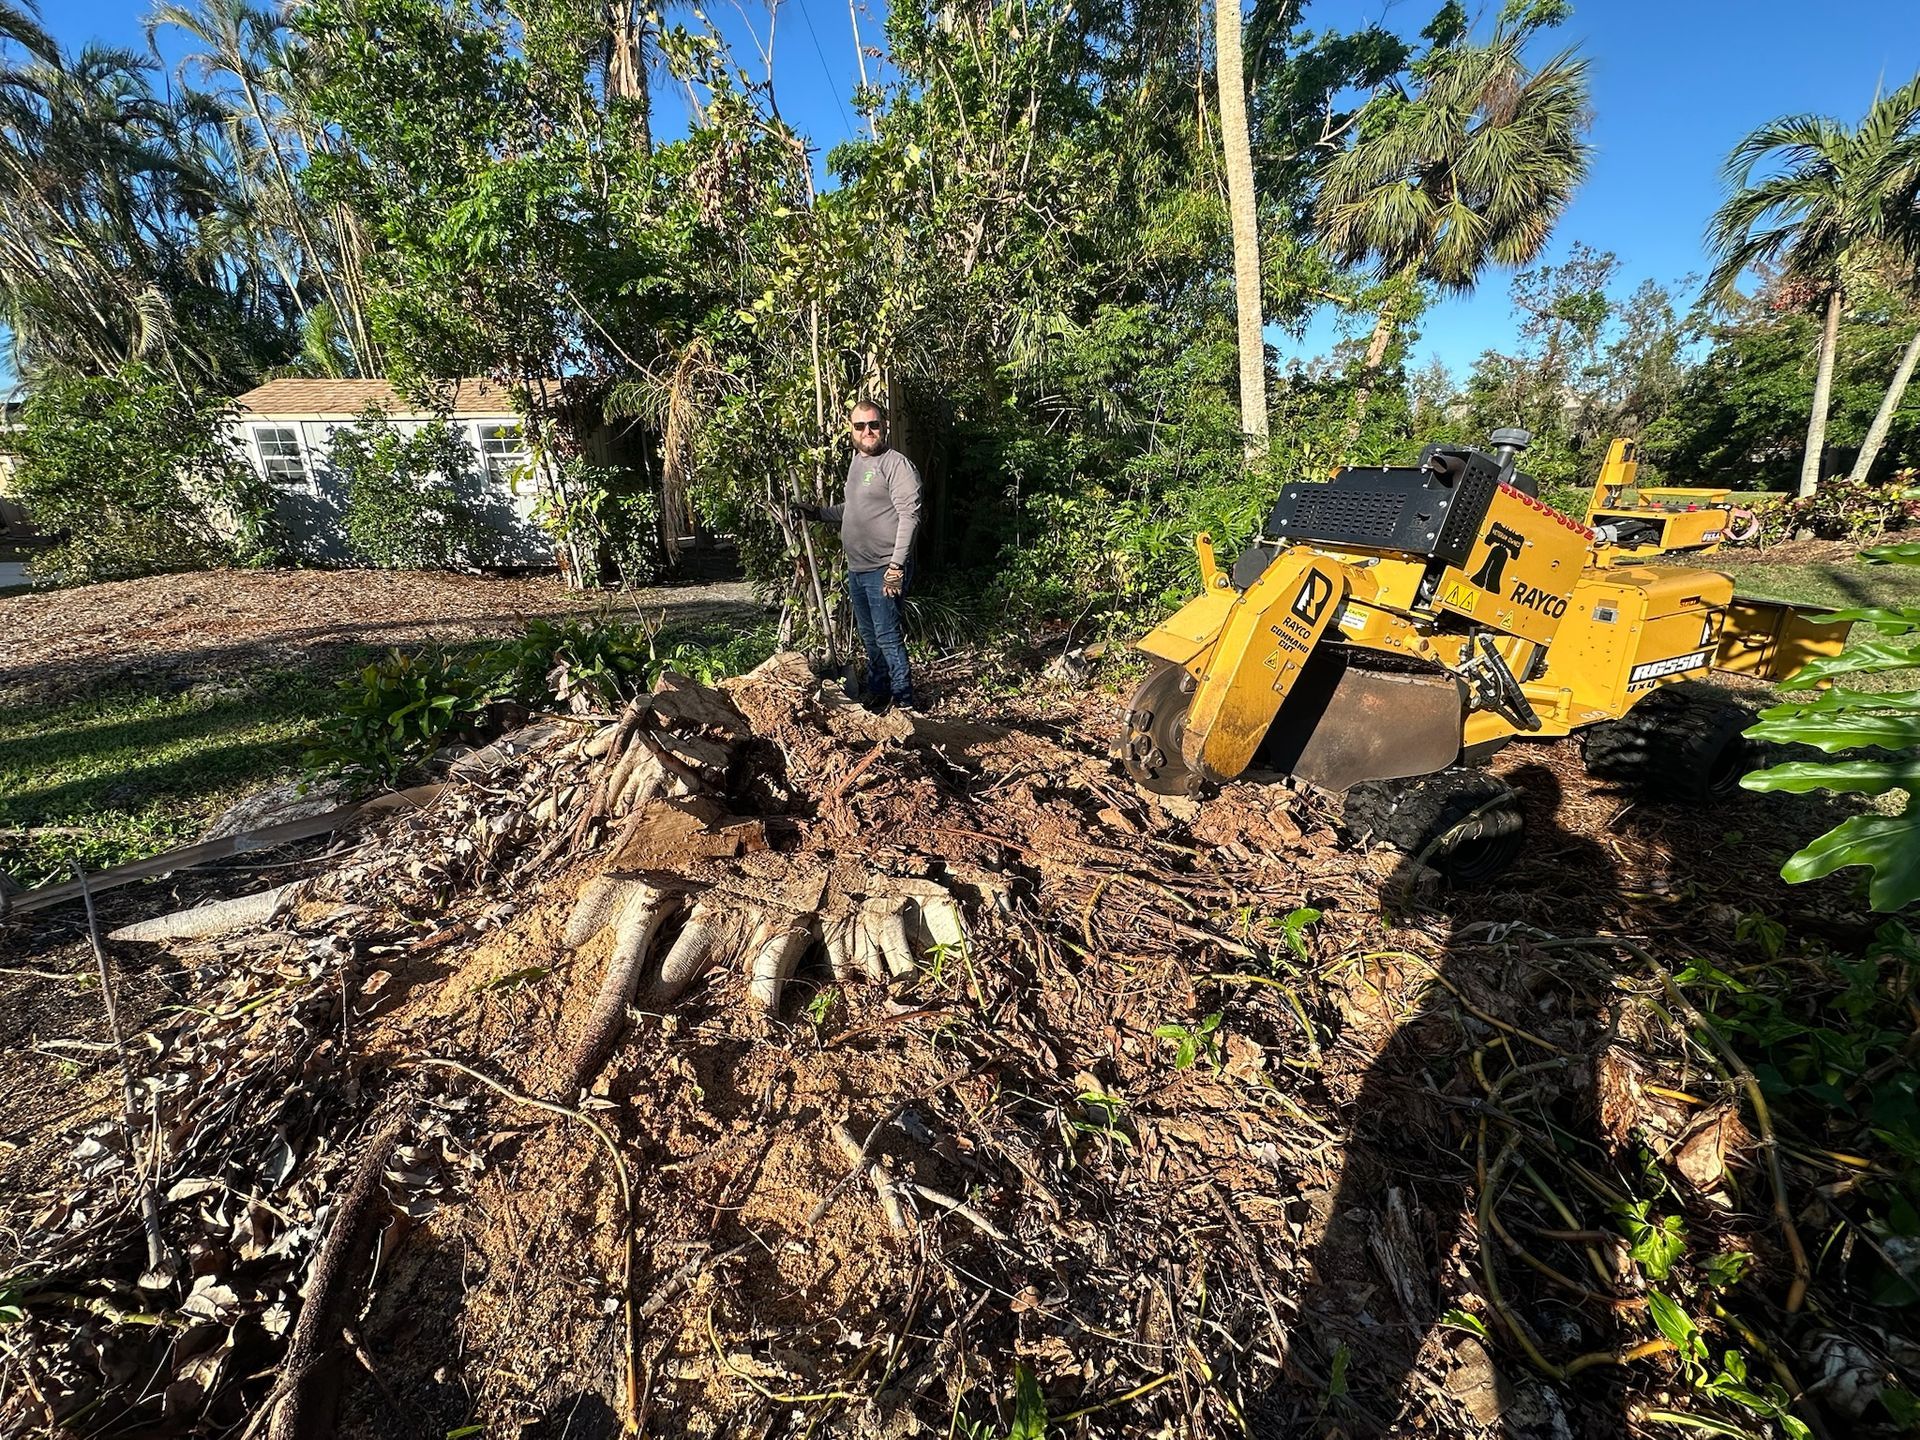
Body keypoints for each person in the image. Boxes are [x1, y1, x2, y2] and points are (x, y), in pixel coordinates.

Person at [796, 399, 922, 712]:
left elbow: (910, 516)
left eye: (874, 424)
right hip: (858, 569)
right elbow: (853, 509)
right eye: (860, 425)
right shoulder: (857, 462)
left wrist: (896, 567)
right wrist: (819, 513)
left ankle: (905, 700)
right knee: (869, 635)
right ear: (851, 429)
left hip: (884, 568)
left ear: (884, 426)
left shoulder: (897, 466)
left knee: (887, 635)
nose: (868, 431)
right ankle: (879, 691)